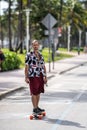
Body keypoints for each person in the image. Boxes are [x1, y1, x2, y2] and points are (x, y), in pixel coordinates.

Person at [25, 40, 47, 114]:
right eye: (34, 45)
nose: (35, 46)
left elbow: (43, 66)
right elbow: (26, 66)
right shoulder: (29, 55)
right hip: (33, 75)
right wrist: (26, 77)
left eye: (37, 45)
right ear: (32, 46)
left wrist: (45, 76)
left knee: (38, 92)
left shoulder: (40, 54)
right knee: (34, 92)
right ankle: (34, 108)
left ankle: (37, 107)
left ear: (38, 45)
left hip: (40, 75)